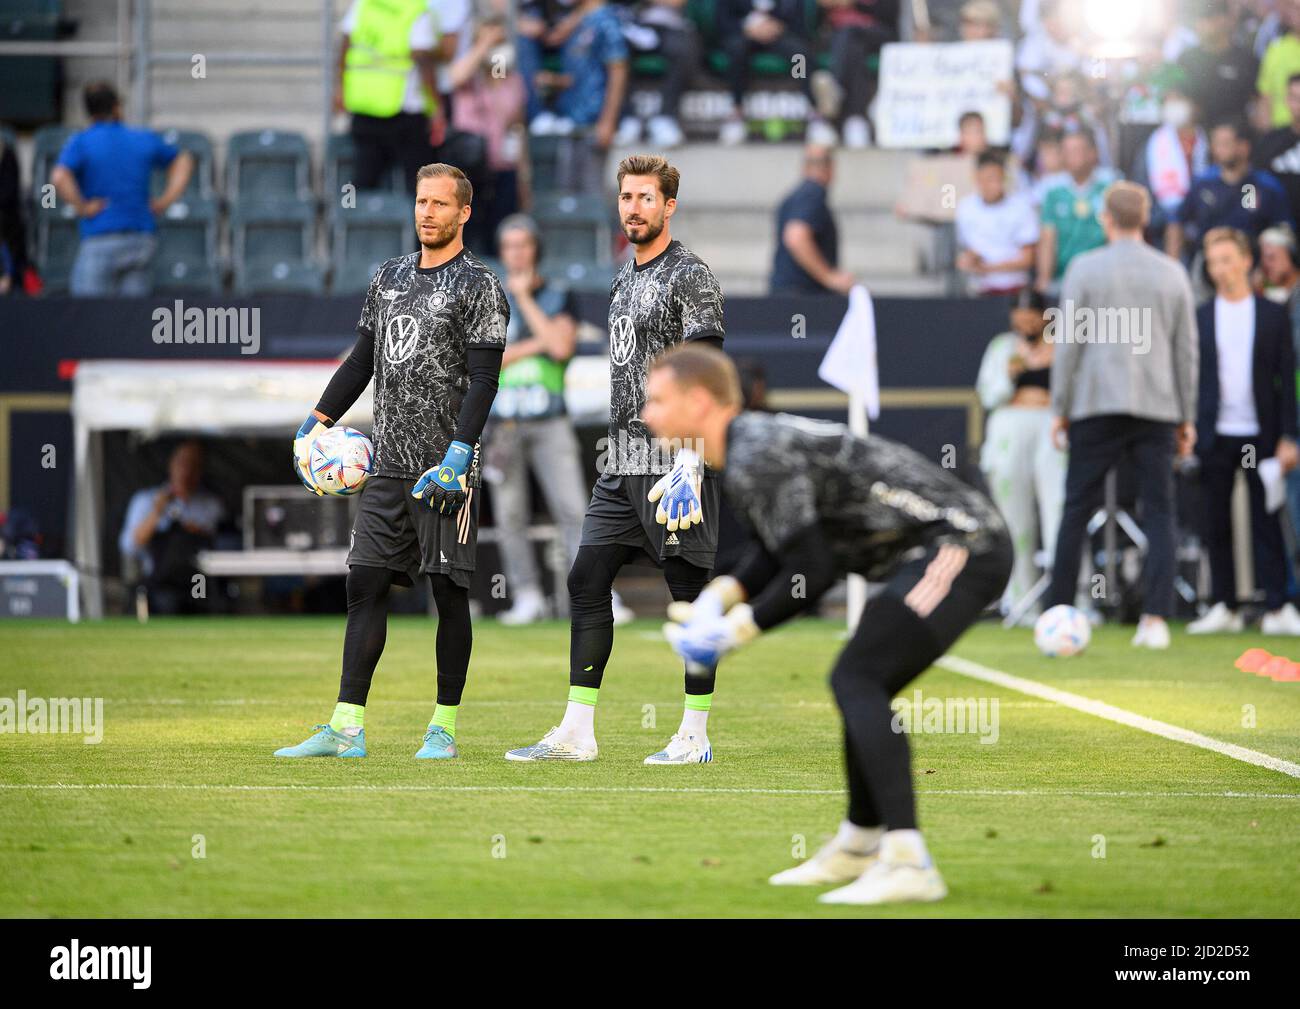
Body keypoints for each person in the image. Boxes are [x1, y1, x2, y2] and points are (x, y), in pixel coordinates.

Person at [643, 343, 1012, 905]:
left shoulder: (754, 453)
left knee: (857, 677)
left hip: (963, 542)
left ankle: (909, 860)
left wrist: (734, 634)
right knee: (861, 679)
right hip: (939, 546)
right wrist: (718, 598)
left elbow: (811, 570)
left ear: (698, 401)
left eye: (657, 400)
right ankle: (859, 846)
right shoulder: (746, 447)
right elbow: (780, 551)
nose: (646, 414)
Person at [276, 162, 510, 760]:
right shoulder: (388, 277)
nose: (427, 212)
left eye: (440, 204)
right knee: (365, 583)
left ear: (464, 213)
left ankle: (444, 727)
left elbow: (485, 380)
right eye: (420, 201)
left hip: (444, 472)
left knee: (448, 593)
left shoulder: (479, 285)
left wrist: (459, 454)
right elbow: (361, 363)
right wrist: (316, 422)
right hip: (386, 467)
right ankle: (346, 728)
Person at [506, 154, 728, 766]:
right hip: (620, 459)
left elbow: (708, 370)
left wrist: (692, 459)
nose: (634, 208)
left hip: (676, 461)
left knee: (688, 597)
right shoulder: (622, 279)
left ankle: (694, 735)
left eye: (646, 198)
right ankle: (578, 731)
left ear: (668, 205)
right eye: (626, 197)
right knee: (586, 580)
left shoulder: (691, 274)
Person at [1047, 182, 1200, 650]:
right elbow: (1186, 351)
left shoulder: (1084, 269)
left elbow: (1068, 344)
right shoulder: (1172, 272)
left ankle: (1057, 612)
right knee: (1159, 510)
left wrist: (1060, 408)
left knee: (1075, 509)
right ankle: (1155, 619)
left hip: (1095, 404)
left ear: (1105, 218)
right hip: (1156, 407)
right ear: (1146, 216)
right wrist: (1186, 416)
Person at [1188, 227, 1300, 634]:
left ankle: (1276, 606)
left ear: (1246, 260)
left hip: (1262, 434)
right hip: (1215, 433)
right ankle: (1224, 605)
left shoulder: (1273, 314)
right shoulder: (1201, 316)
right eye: (1213, 261)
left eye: (1227, 260)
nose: (1220, 270)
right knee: (1216, 522)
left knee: (1266, 520)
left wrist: (1290, 435)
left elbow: (1287, 378)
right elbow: (1194, 379)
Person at [484, 214, 587, 625]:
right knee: (510, 516)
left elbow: (561, 348)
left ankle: (593, 593)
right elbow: (485, 359)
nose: (517, 253)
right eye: (509, 246)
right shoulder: (488, 296)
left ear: (536, 248)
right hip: (503, 425)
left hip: (550, 419)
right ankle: (526, 595)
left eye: (524, 245)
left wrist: (525, 299)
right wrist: (536, 343)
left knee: (574, 508)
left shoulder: (559, 293)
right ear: (502, 251)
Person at [51, 82, 193, 297]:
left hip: (101, 238)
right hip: (141, 240)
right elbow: (183, 159)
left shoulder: (81, 141)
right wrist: (165, 200)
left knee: (88, 320)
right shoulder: (141, 137)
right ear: (117, 107)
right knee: (131, 321)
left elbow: (59, 177)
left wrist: (83, 208)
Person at [976, 289, 1065, 617]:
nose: (1026, 323)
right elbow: (989, 394)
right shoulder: (1002, 348)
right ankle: (1020, 602)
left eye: (1032, 316)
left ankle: (1068, 598)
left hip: (1052, 433)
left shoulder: (1062, 345)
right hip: (1009, 434)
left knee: (1060, 514)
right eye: (1020, 318)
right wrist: (1012, 375)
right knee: (1015, 521)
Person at [335, 0, 445, 195]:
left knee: (362, 182)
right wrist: (437, 107)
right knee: (419, 186)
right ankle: (414, 226)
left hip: (365, 106)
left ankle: (355, 222)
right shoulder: (416, 10)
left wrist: (340, 89)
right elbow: (422, 59)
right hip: (405, 109)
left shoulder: (365, 4)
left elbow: (345, 45)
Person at [118, 441, 224, 615]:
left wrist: (197, 533)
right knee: (166, 600)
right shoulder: (146, 500)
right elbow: (129, 546)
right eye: (183, 463)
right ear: (171, 464)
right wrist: (156, 512)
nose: (187, 471)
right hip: (160, 582)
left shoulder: (211, 505)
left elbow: (222, 546)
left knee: (204, 595)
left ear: (201, 471)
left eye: (194, 465)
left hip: (198, 580)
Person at [1167, 119, 1292, 265]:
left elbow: (1283, 230)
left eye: (1225, 144)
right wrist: (1172, 264)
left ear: (1243, 147)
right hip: (1207, 266)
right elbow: (1176, 221)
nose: (1218, 149)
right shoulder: (1203, 183)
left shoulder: (1264, 186)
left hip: (1250, 266)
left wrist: (1269, 267)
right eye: (1215, 144)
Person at [718, 0, 829, 146]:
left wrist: (777, 27)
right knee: (737, 52)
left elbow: (801, 22)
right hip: (745, 35)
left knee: (800, 57)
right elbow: (722, 21)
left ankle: (814, 113)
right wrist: (748, 28)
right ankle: (736, 112)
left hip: (781, 35)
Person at [810, 0, 900, 149]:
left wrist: (852, 4)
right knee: (853, 49)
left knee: (849, 35)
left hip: (877, 32)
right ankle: (856, 117)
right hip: (835, 36)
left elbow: (888, 14)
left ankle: (835, 91)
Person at [613, 1, 703, 148]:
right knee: (615, 50)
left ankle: (665, 118)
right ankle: (627, 118)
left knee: (683, 50)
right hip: (635, 25)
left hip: (672, 28)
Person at [1035, 130, 1114, 296]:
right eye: (1067, 151)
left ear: (1093, 153)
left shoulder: (1110, 186)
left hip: (1102, 280)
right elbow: (1048, 238)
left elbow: (1116, 234)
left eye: (1078, 150)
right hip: (1064, 279)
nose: (1072, 156)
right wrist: (1044, 279)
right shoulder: (1053, 190)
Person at [770, 145, 854, 296]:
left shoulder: (794, 196)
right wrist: (829, 277)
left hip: (785, 295)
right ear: (831, 168)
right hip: (803, 298)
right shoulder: (812, 193)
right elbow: (796, 236)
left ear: (804, 167)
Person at [955, 150, 1039, 297]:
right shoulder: (965, 208)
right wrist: (970, 259)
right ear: (976, 178)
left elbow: (1028, 259)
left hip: (1014, 289)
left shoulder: (1022, 207)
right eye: (986, 179)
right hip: (978, 289)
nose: (992, 185)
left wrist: (988, 268)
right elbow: (969, 248)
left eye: (996, 179)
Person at [1178, 0, 1260, 130]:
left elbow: (1258, 103)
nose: (1200, 25)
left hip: (1236, 137)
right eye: (1199, 19)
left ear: (1223, 20)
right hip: (1197, 137)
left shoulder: (1246, 59)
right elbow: (1178, 98)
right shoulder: (1186, 59)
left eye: (1207, 19)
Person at [1254, 72, 1300, 217]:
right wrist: (1248, 213)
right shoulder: (1269, 141)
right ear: (1287, 100)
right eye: (1295, 98)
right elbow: (1250, 182)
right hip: (1278, 225)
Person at [1256, 0, 1300, 128]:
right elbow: (1265, 96)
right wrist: (1270, 137)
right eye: (1294, 7)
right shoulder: (1276, 49)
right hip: (1283, 134)